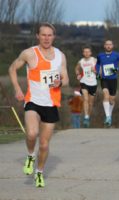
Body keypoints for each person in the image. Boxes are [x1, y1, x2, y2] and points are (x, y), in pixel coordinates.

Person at [8, 22, 69, 188]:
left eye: (50, 35)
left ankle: (39, 173)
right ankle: (29, 155)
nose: (47, 38)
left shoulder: (60, 55)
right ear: (37, 36)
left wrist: (59, 82)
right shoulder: (29, 53)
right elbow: (12, 68)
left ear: (54, 37)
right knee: (32, 134)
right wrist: (17, 89)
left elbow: (66, 79)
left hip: (51, 104)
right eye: (43, 35)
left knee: (44, 144)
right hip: (33, 101)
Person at [96, 39, 119, 127]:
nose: (108, 46)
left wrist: (117, 69)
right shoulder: (100, 55)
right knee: (105, 95)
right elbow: (97, 65)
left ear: (112, 46)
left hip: (113, 80)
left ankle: (109, 115)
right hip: (104, 79)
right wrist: (98, 73)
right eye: (107, 44)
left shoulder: (117, 55)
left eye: (110, 44)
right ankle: (108, 117)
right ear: (104, 46)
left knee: (111, 100)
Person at [75, 46, 97, 127]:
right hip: (84, 82)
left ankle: (88, 116)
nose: (86, 53)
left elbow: (100, 72)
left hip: (93, 83)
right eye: (85, 52)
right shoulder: (81, 61)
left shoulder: (94, 60)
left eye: (88, 52)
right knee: (86, 99)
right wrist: (78, 74)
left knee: (91, 103)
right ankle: (86, 117)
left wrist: (95, 71)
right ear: (83, 53)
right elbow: (77, 68)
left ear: (90, 53)